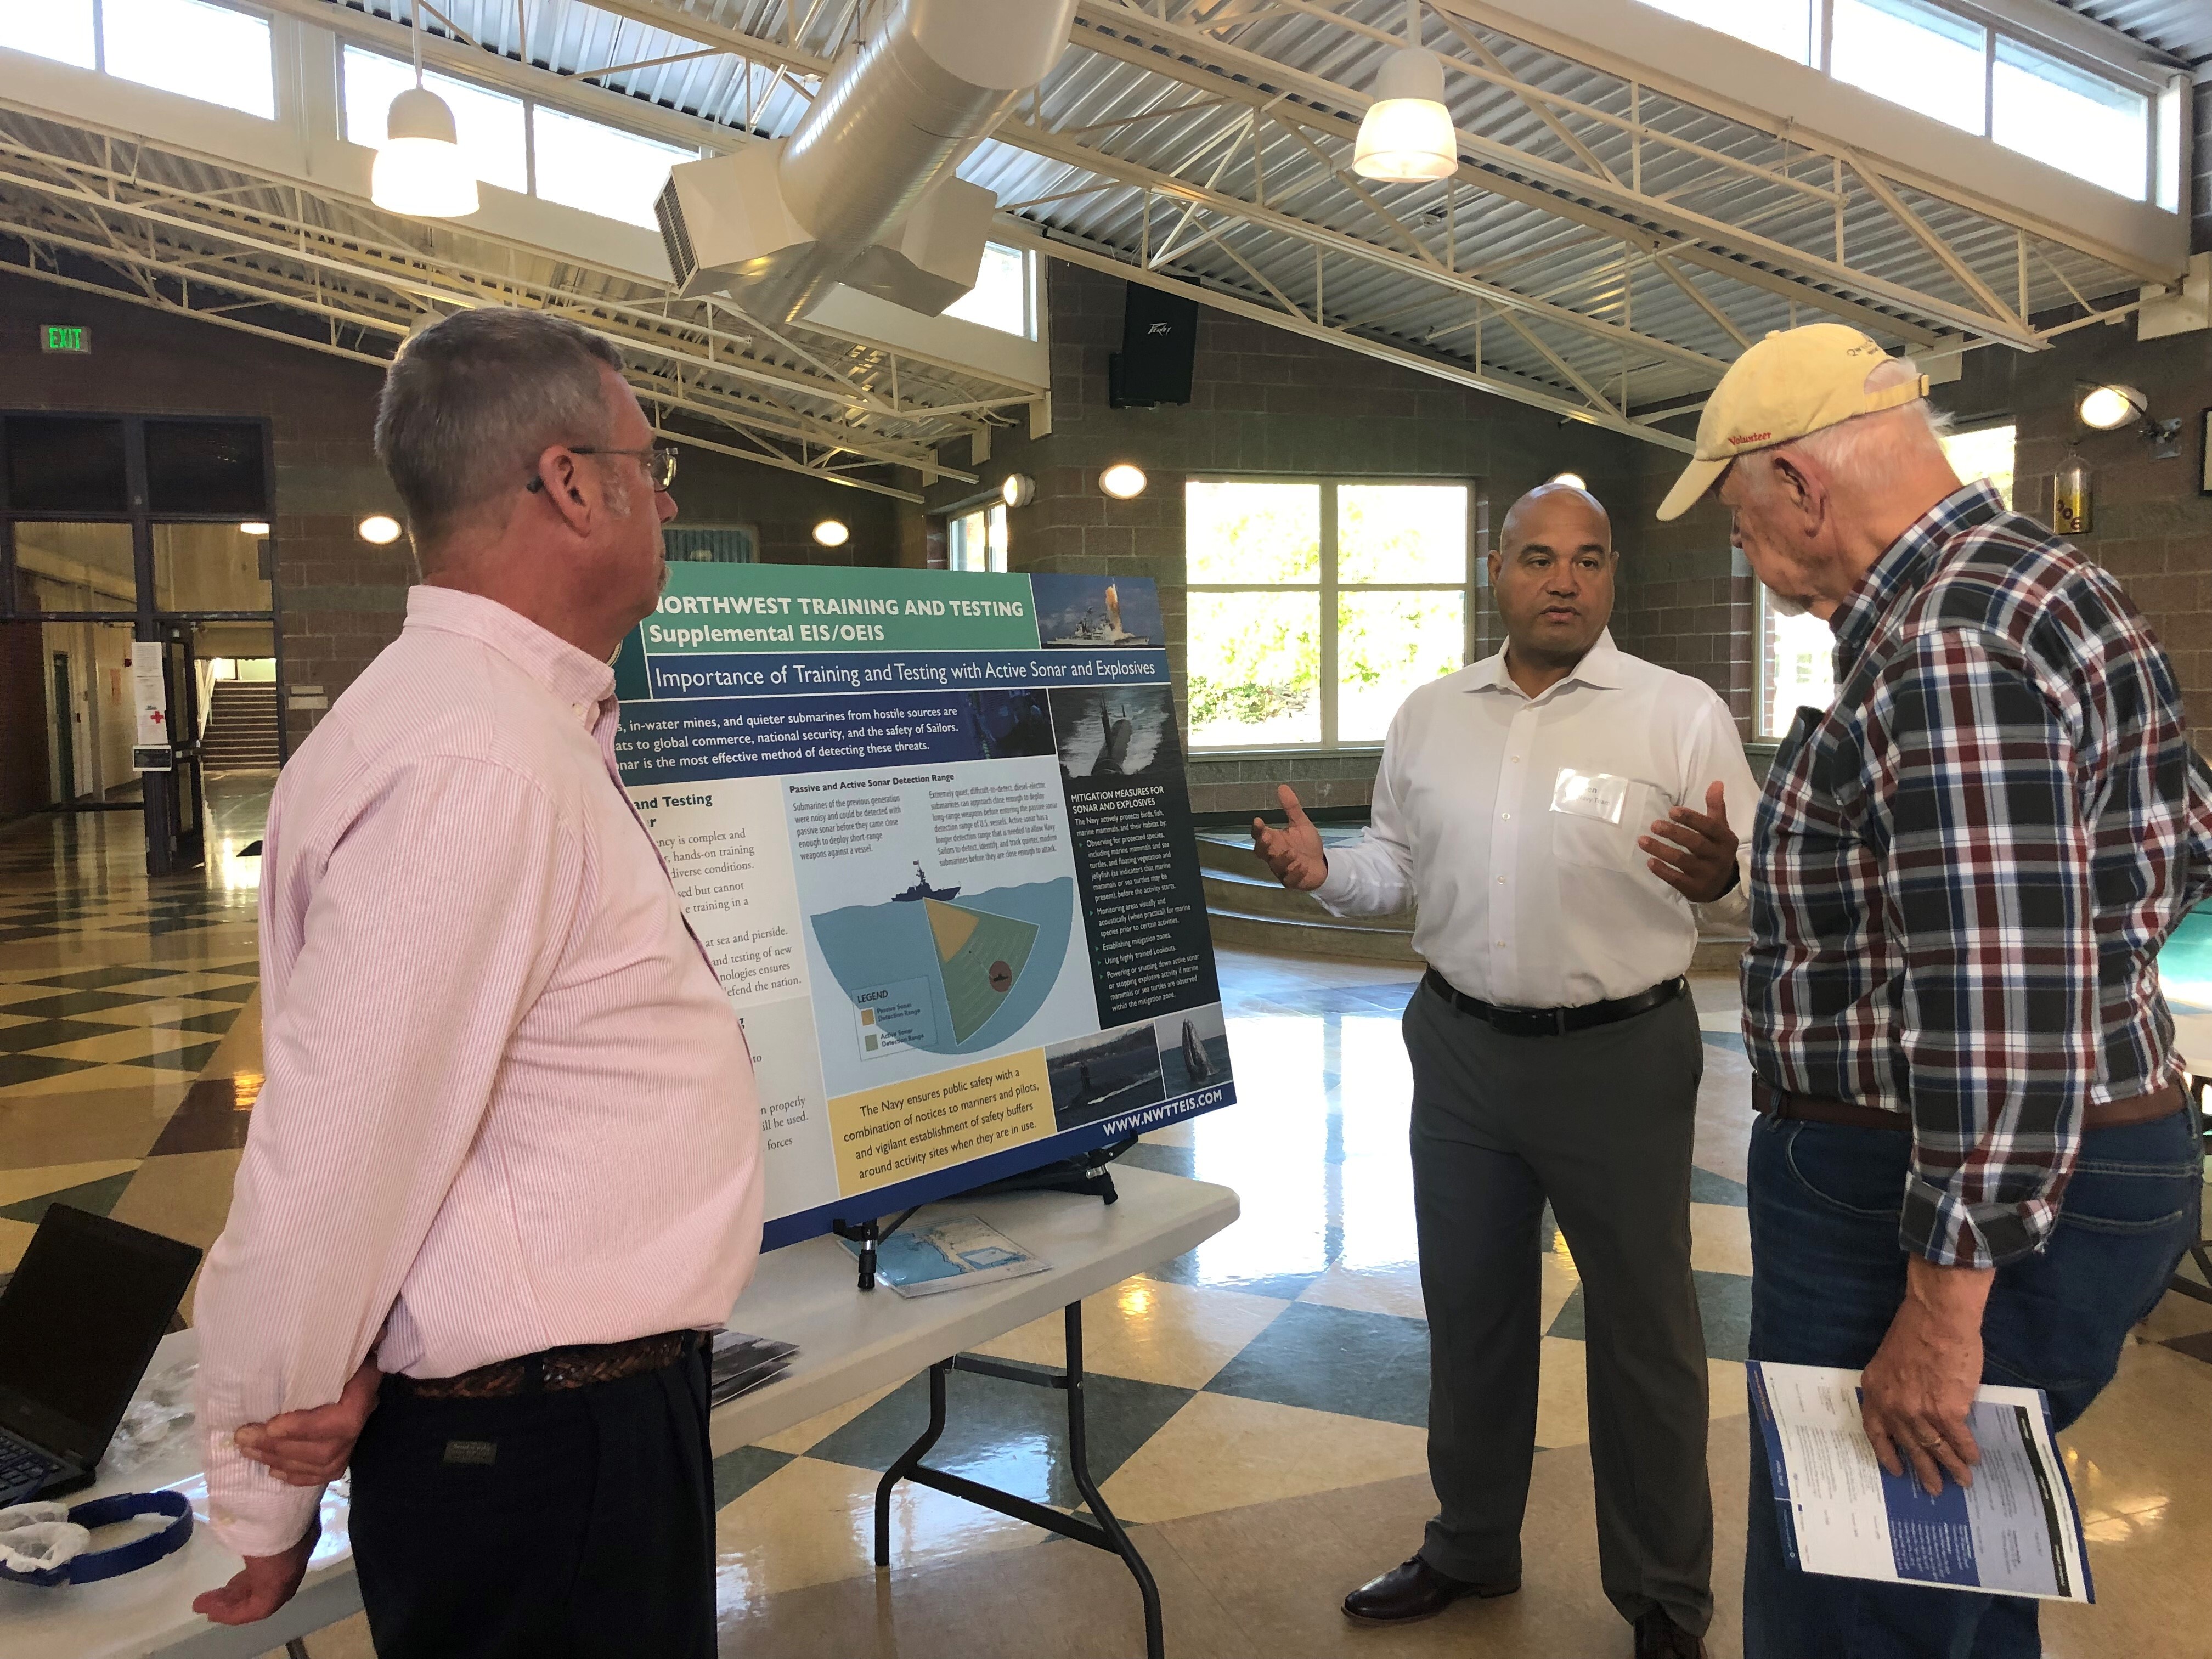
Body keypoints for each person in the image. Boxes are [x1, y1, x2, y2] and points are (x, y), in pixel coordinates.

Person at [188, 308, 765, 1658]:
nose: (668, 498)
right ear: (572, 484)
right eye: (651, 462)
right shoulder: (476, 763)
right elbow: (338, 1152)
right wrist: (264, 1488)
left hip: (559, 1433)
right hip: (545, 1459)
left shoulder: (494, 724)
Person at [1654, 323, 2207, 1657]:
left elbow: (1997, 995)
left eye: (1737, 515)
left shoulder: (1946, 640)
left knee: (1861, 1597)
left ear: (1800, 484)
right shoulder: (2044, 581)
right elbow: (2176, 842)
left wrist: (1945, 1310)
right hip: (2067, 1149)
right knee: (1956, 1575)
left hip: (1924, 1186)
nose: (1741, 545)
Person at [1252, 483, 1757, 1659]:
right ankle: (1472, 1546)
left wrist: (1727, 878)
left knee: (1644, 1336)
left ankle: (1665, 1599)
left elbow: (1755, 888)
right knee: (1472, 1312)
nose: (1564, 580)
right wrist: (1326, 873)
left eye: (1589, 558)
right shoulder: (1432, 715)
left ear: (1613, 573)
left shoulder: (1678, 713)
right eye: (1539, 557)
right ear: (1498, 570)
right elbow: (1395, 866)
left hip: (1621, 1058)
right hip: (1461, 1051)